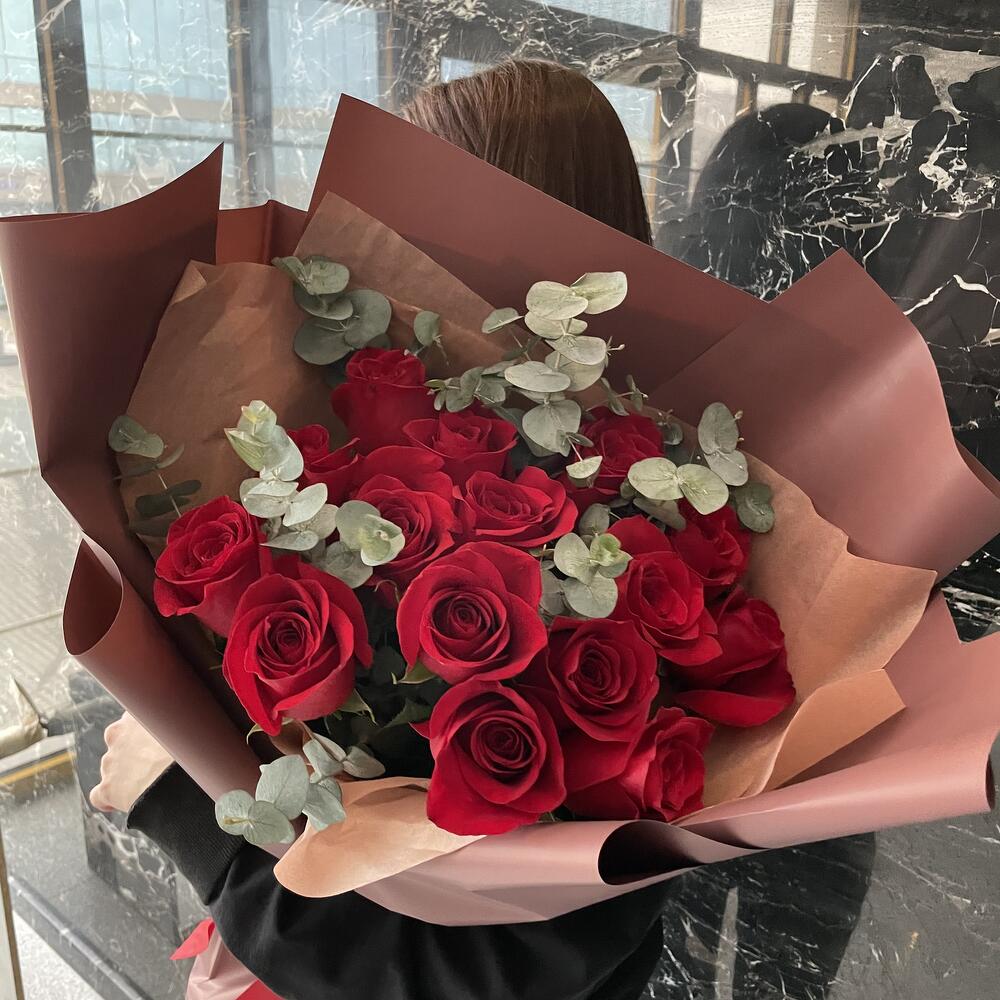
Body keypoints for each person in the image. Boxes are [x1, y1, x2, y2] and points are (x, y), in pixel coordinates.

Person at [92, 59, 670, 1000]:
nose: (369, 260)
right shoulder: (364, 456)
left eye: (403, 229)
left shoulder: (647, 554)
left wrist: (183, 802)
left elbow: (485, 970)